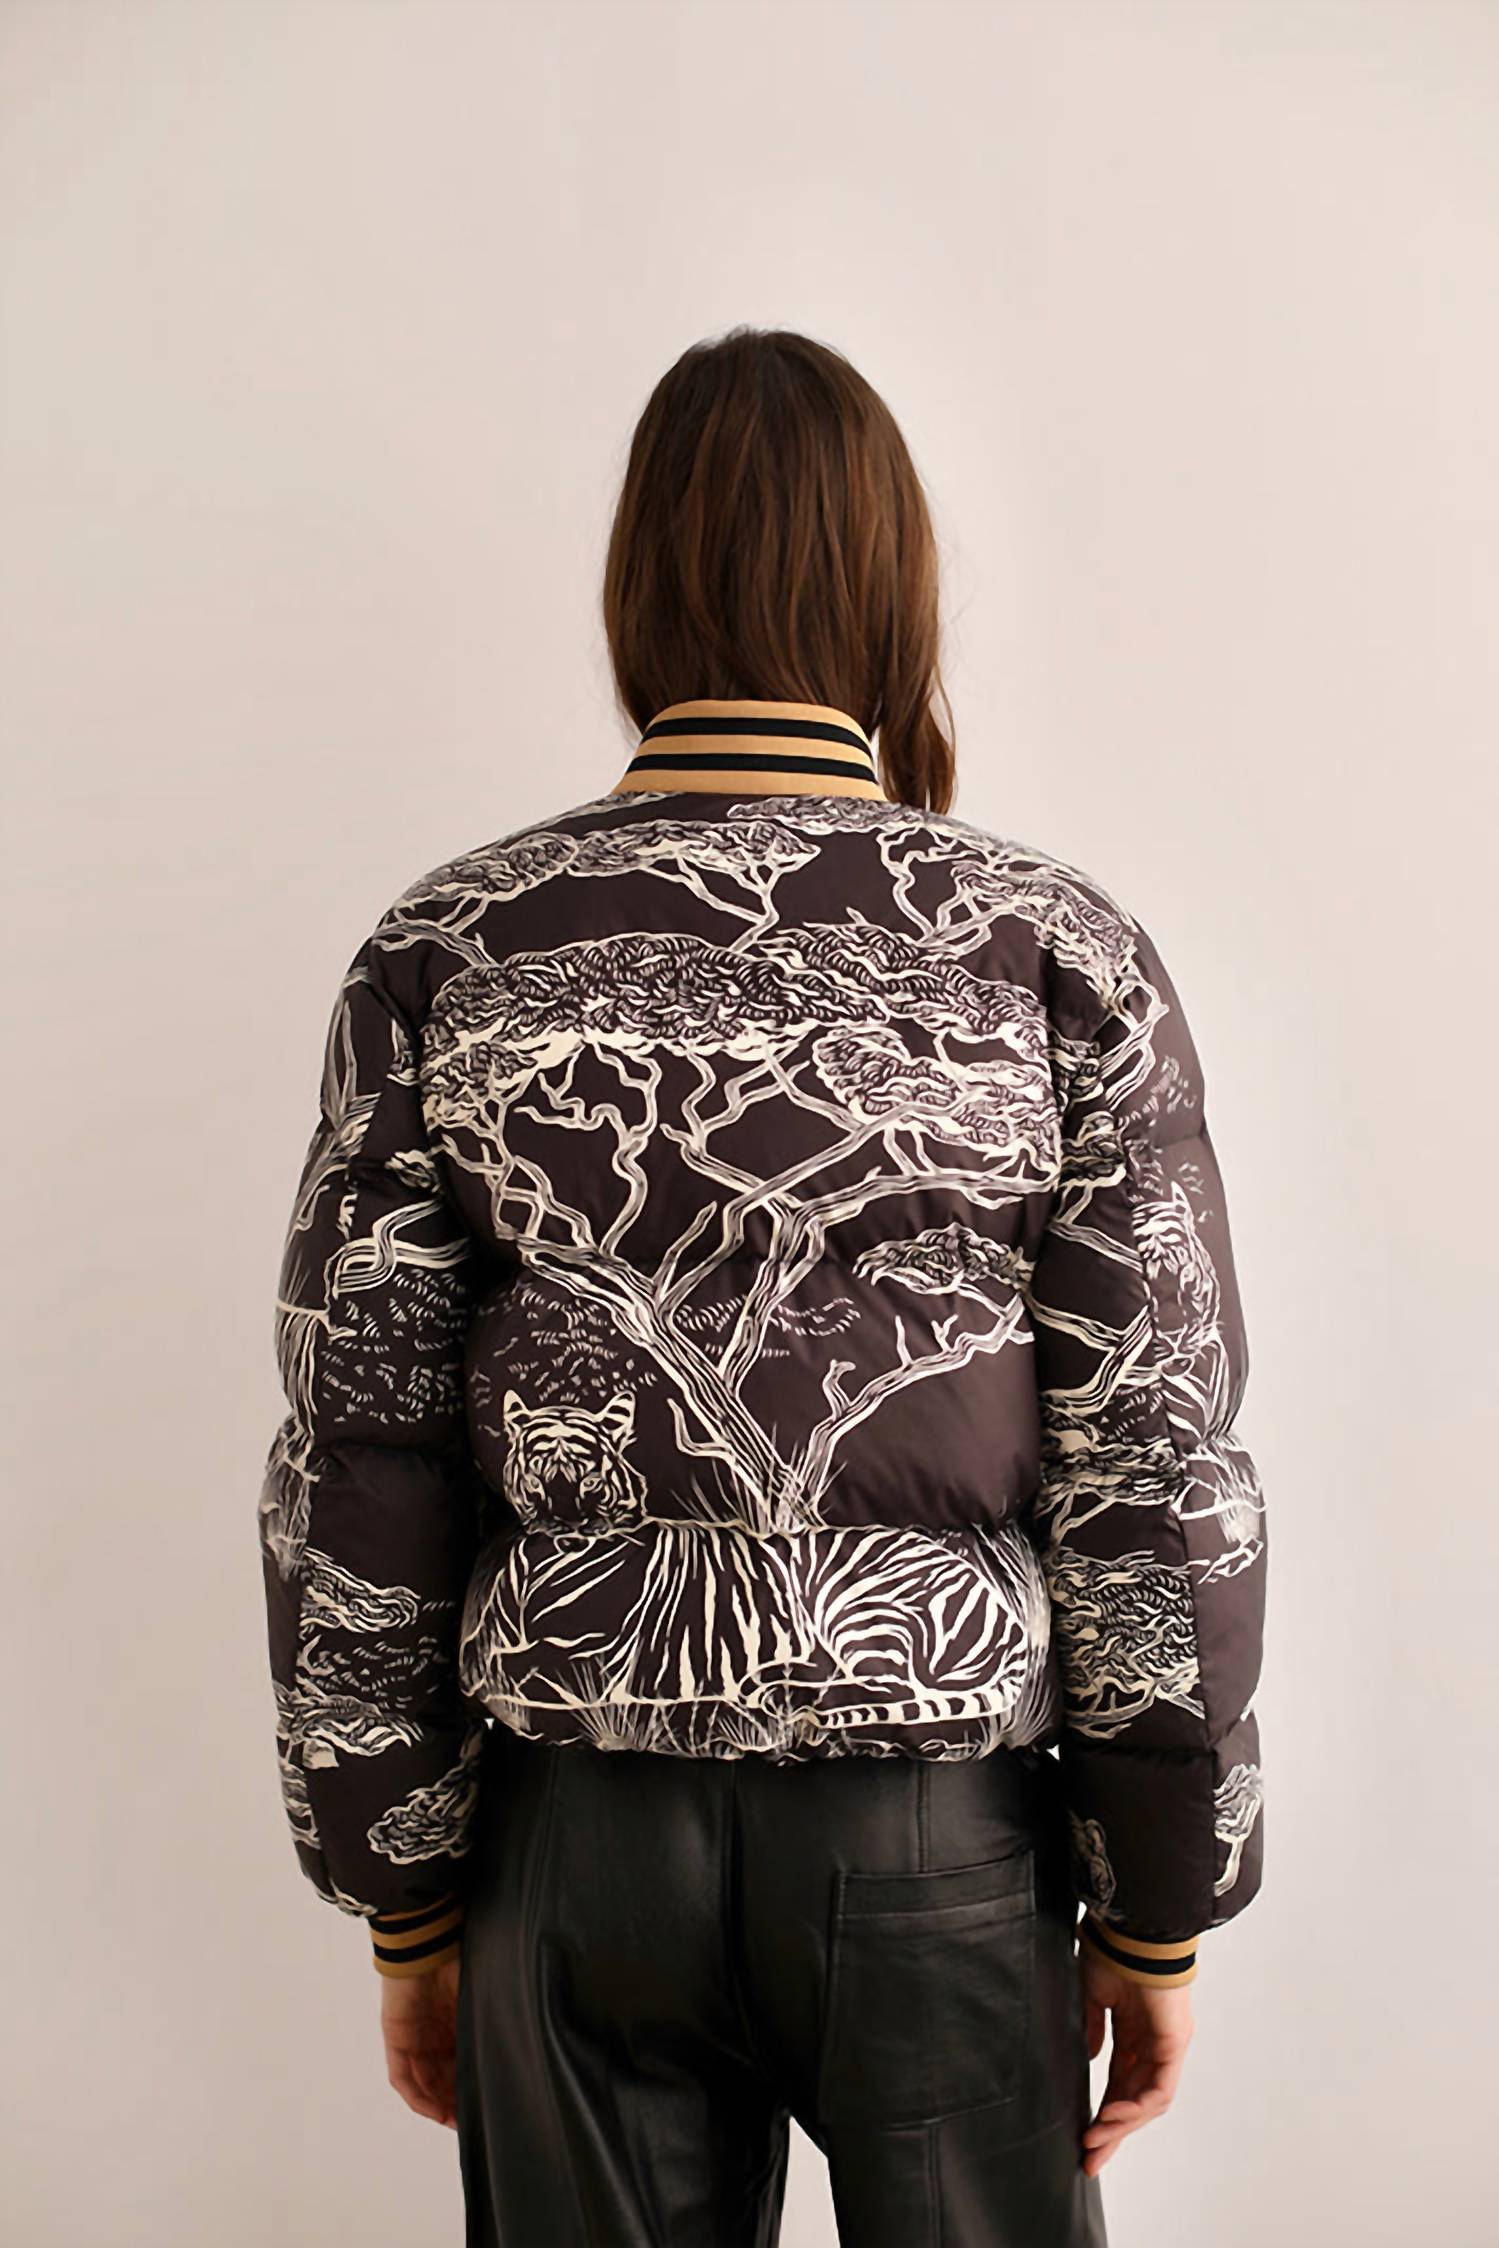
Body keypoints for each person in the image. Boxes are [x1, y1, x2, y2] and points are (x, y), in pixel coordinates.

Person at [256, 325, 1266, 2248]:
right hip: (942, 1840)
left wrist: (405, 1881)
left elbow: (358, 1453)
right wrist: (1161, 1899)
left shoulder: (450, 945)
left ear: (636, 586)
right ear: (895, 592)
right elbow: (1155, 1454)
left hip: (575, 1845)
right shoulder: (1051, 948)